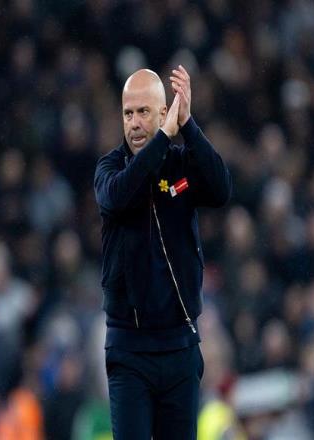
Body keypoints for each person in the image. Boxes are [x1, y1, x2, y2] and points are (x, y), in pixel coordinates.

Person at [94, 65, 232, 439]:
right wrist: (164, 138)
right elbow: (121, 196)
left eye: (143, 112)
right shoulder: (109, 170)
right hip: (129, 352)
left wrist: (188, 125)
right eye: (128, 113)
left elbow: (221, 189)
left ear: (163, 113)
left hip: (179, 347)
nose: (135, 123)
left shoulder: (180, 166)